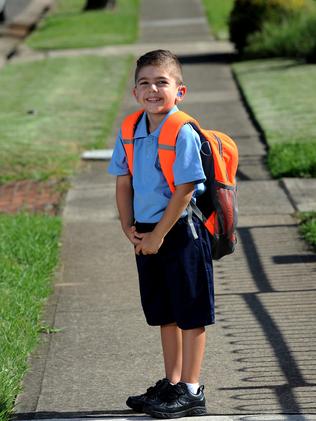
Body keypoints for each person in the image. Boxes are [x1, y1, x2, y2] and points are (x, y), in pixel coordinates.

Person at [108, 49, 214, 419]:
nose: (153, 89)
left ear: (179, 92)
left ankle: (192, 388)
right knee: (164, 311)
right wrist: (128, 227)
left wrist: (158, 237)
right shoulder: (129, 129)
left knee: (190, 310)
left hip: (181, 230)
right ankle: (172, 384)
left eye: (162, 82)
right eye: (145, 83)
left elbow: (185, 190)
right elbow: (124, 182)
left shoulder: (180, 129)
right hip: (146, 231)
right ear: (135, 92)